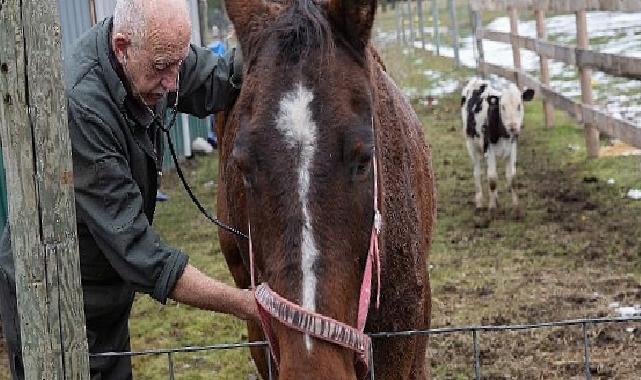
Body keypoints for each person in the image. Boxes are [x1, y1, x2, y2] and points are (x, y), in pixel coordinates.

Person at [0, 0, 257, 379]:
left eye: (178, 63)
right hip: (57, 304)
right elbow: (139, 251)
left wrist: (283, 51)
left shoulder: (152, 52)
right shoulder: (82, 108)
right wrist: (246, 304)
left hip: (107, 292)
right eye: (161, 68)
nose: (173, 83)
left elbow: (220, 75)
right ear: (122, 47)